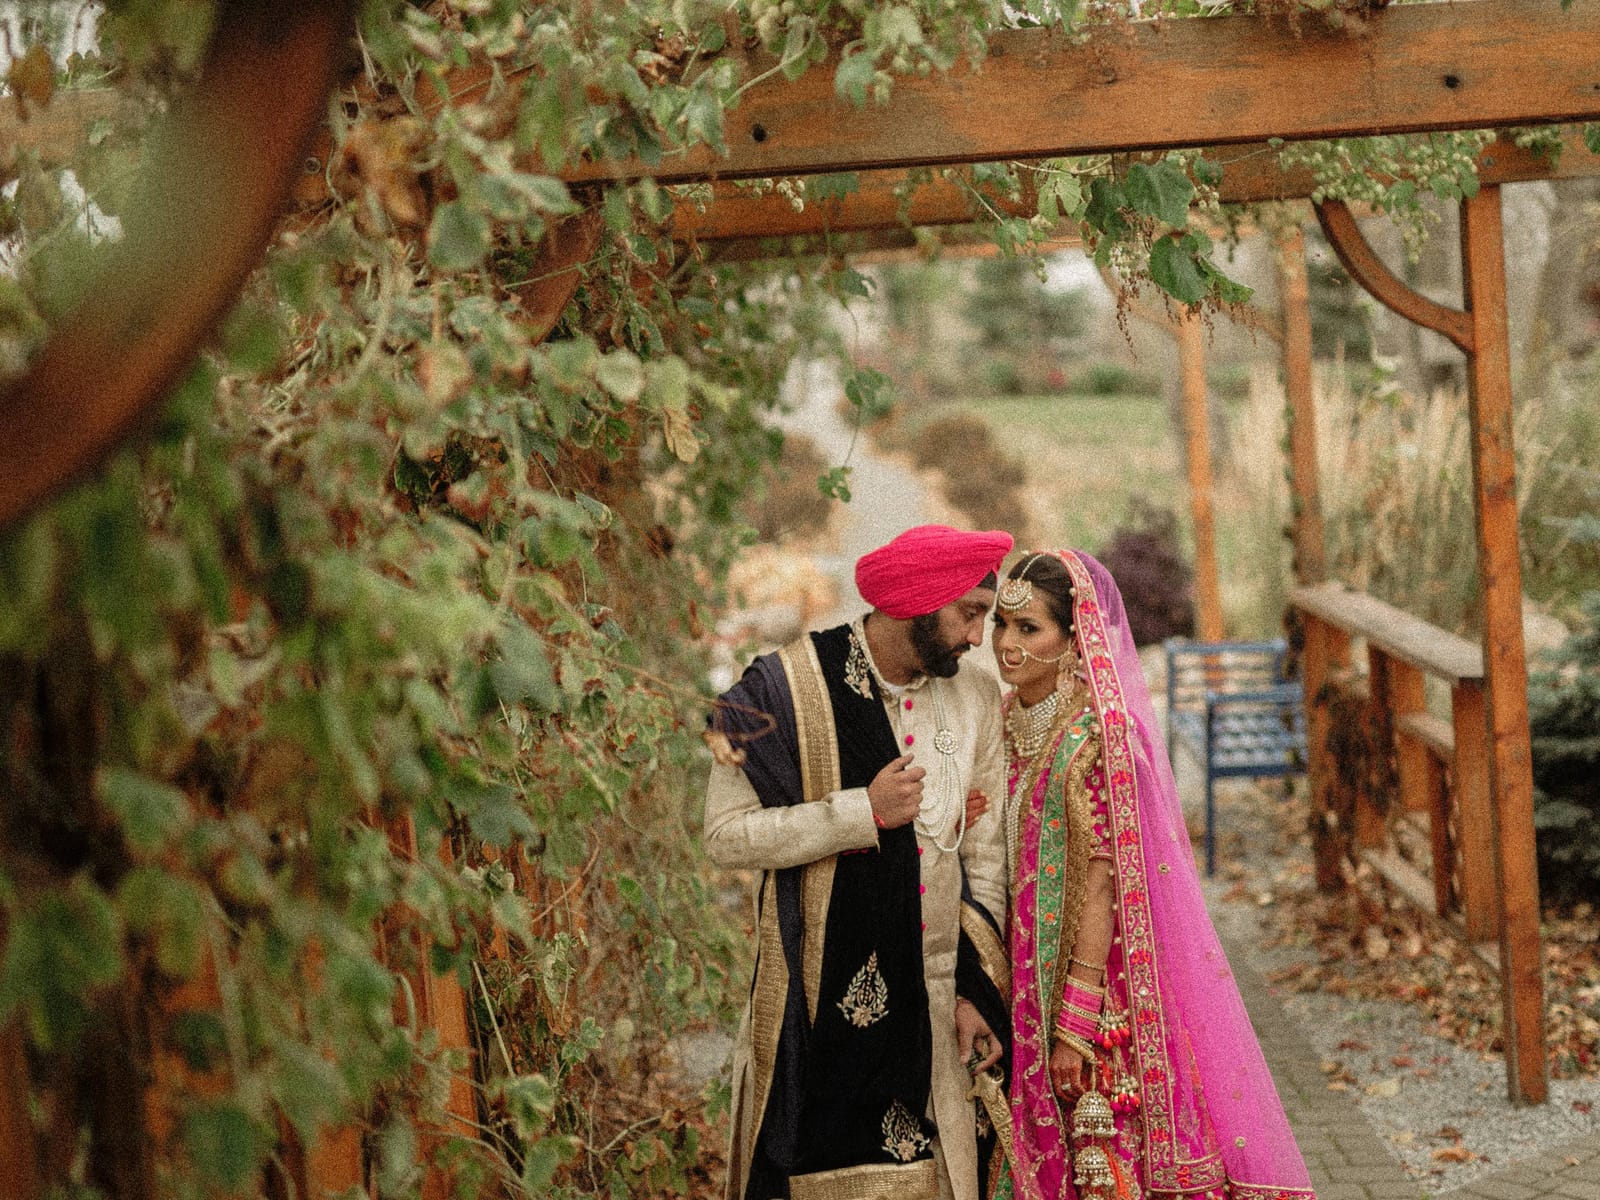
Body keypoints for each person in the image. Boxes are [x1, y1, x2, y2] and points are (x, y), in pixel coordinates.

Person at [981, 550, 1315, 1200]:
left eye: (1029, 630)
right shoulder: (998, 724)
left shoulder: (1102, 739)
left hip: (1094, 994)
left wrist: (1075, 1022)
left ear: (1073, 638)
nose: (1006, 645)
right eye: (1001, 626)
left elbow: (1106, 883)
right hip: (1014, 978)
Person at [704, 525, 1016, 1200]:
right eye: (969, 615)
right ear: (915, 603)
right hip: (818, 1006)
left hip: (936, 1016)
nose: (977, 638)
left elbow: (985, 860)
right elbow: (725, 838)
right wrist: (859, 813)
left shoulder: (976, 700)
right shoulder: (778, 691)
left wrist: (975, 991)